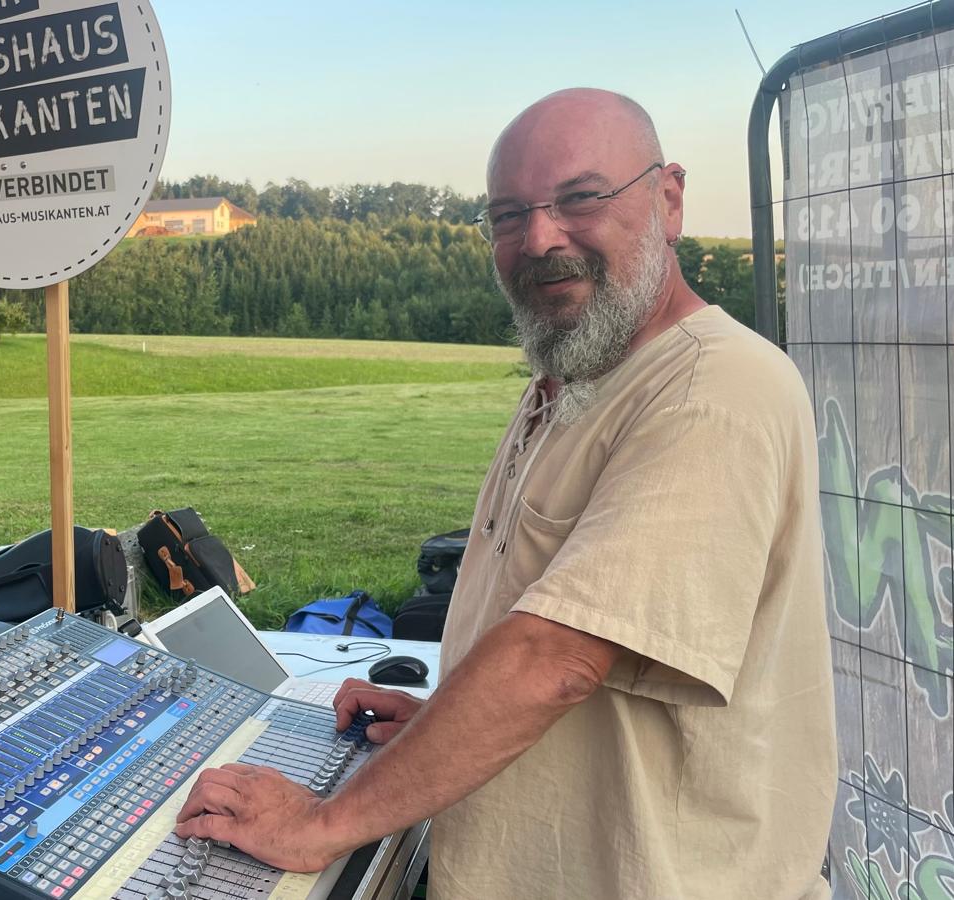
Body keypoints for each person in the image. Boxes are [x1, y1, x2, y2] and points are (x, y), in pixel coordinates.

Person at [173, 89, 836, 900]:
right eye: (508, 215)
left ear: (668, 200)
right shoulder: (570, 380)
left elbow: (557, 659)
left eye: (581, 198)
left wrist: (321, 822)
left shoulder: (714, 388)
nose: (539, 238)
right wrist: (440, 724)